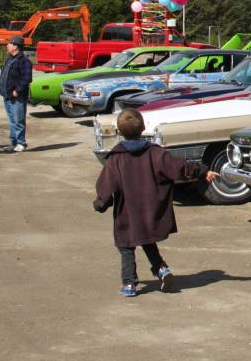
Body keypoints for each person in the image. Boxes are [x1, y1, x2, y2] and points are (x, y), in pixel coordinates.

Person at [93, 108, 220, 297]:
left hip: (127, 212)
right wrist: (202, 171)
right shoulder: (155, 153)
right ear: (143, 128)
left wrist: (101, 202)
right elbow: (178, 167)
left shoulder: (116, 158)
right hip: (150, 208)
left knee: (126, 245)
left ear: (119, 132)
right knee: (147, 239)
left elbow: (107, 184)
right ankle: (161, 269)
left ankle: (129, 283)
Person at [0, 35, 33, 153]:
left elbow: (27, 78)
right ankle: (13, 143)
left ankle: (21, 143)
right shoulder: (9, 59)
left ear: (15, 47)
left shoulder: (24, 61)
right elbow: (5, 75)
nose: (7, 46)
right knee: (12, 120)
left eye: (9, 44)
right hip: (7, 95)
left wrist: (17, 90)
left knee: (18, 120)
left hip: (17, 97)